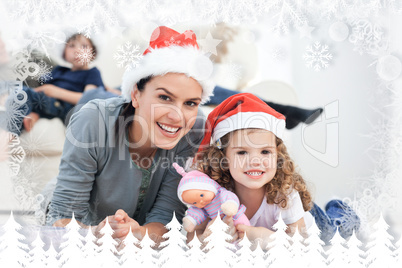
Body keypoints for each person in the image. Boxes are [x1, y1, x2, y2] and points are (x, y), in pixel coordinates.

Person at [46, 26, 214, 243]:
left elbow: (167, 217)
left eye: (190, 103)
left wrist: (138, 233)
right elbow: (61, 218)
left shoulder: (195, 128)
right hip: (84, 223)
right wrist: (97, 233)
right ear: (135, 94)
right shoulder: (93, 120)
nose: (178, 116)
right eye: (164, 98)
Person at [190, 93, 360, 245]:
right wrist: (206, 237)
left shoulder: (284, 193)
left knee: (332, 231)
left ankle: (341, 208)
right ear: (223, 159)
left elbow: (300, 242)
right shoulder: (213, 193)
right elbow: (192, 236)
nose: (255, 161)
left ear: (277, 156)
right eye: (242, 152)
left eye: (265, 152)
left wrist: (263, 236)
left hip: (309, 220)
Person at [7, 33, 104, 135]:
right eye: (71, 46)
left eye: (84, 46)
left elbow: (88, 98)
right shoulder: (58, 70)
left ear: (93, 52)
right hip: (48, 102)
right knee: (22, 92)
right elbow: (40, 86)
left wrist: (54, 92)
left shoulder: (92, 73)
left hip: (66, 106)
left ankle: (10, 134)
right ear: (64, 53)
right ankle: (33, 116)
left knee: (25, 93)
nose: (77, 50)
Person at [173, 162, 250, 233]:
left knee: (244, 231)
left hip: (236, 218)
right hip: (218, 224)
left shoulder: (221, 193)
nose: (201, 202)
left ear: (210, 187)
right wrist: (191, 220)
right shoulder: (203, 207)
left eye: (202, 195)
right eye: (195, 202)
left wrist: (230, 205)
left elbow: (229, 197)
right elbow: (197, 212)